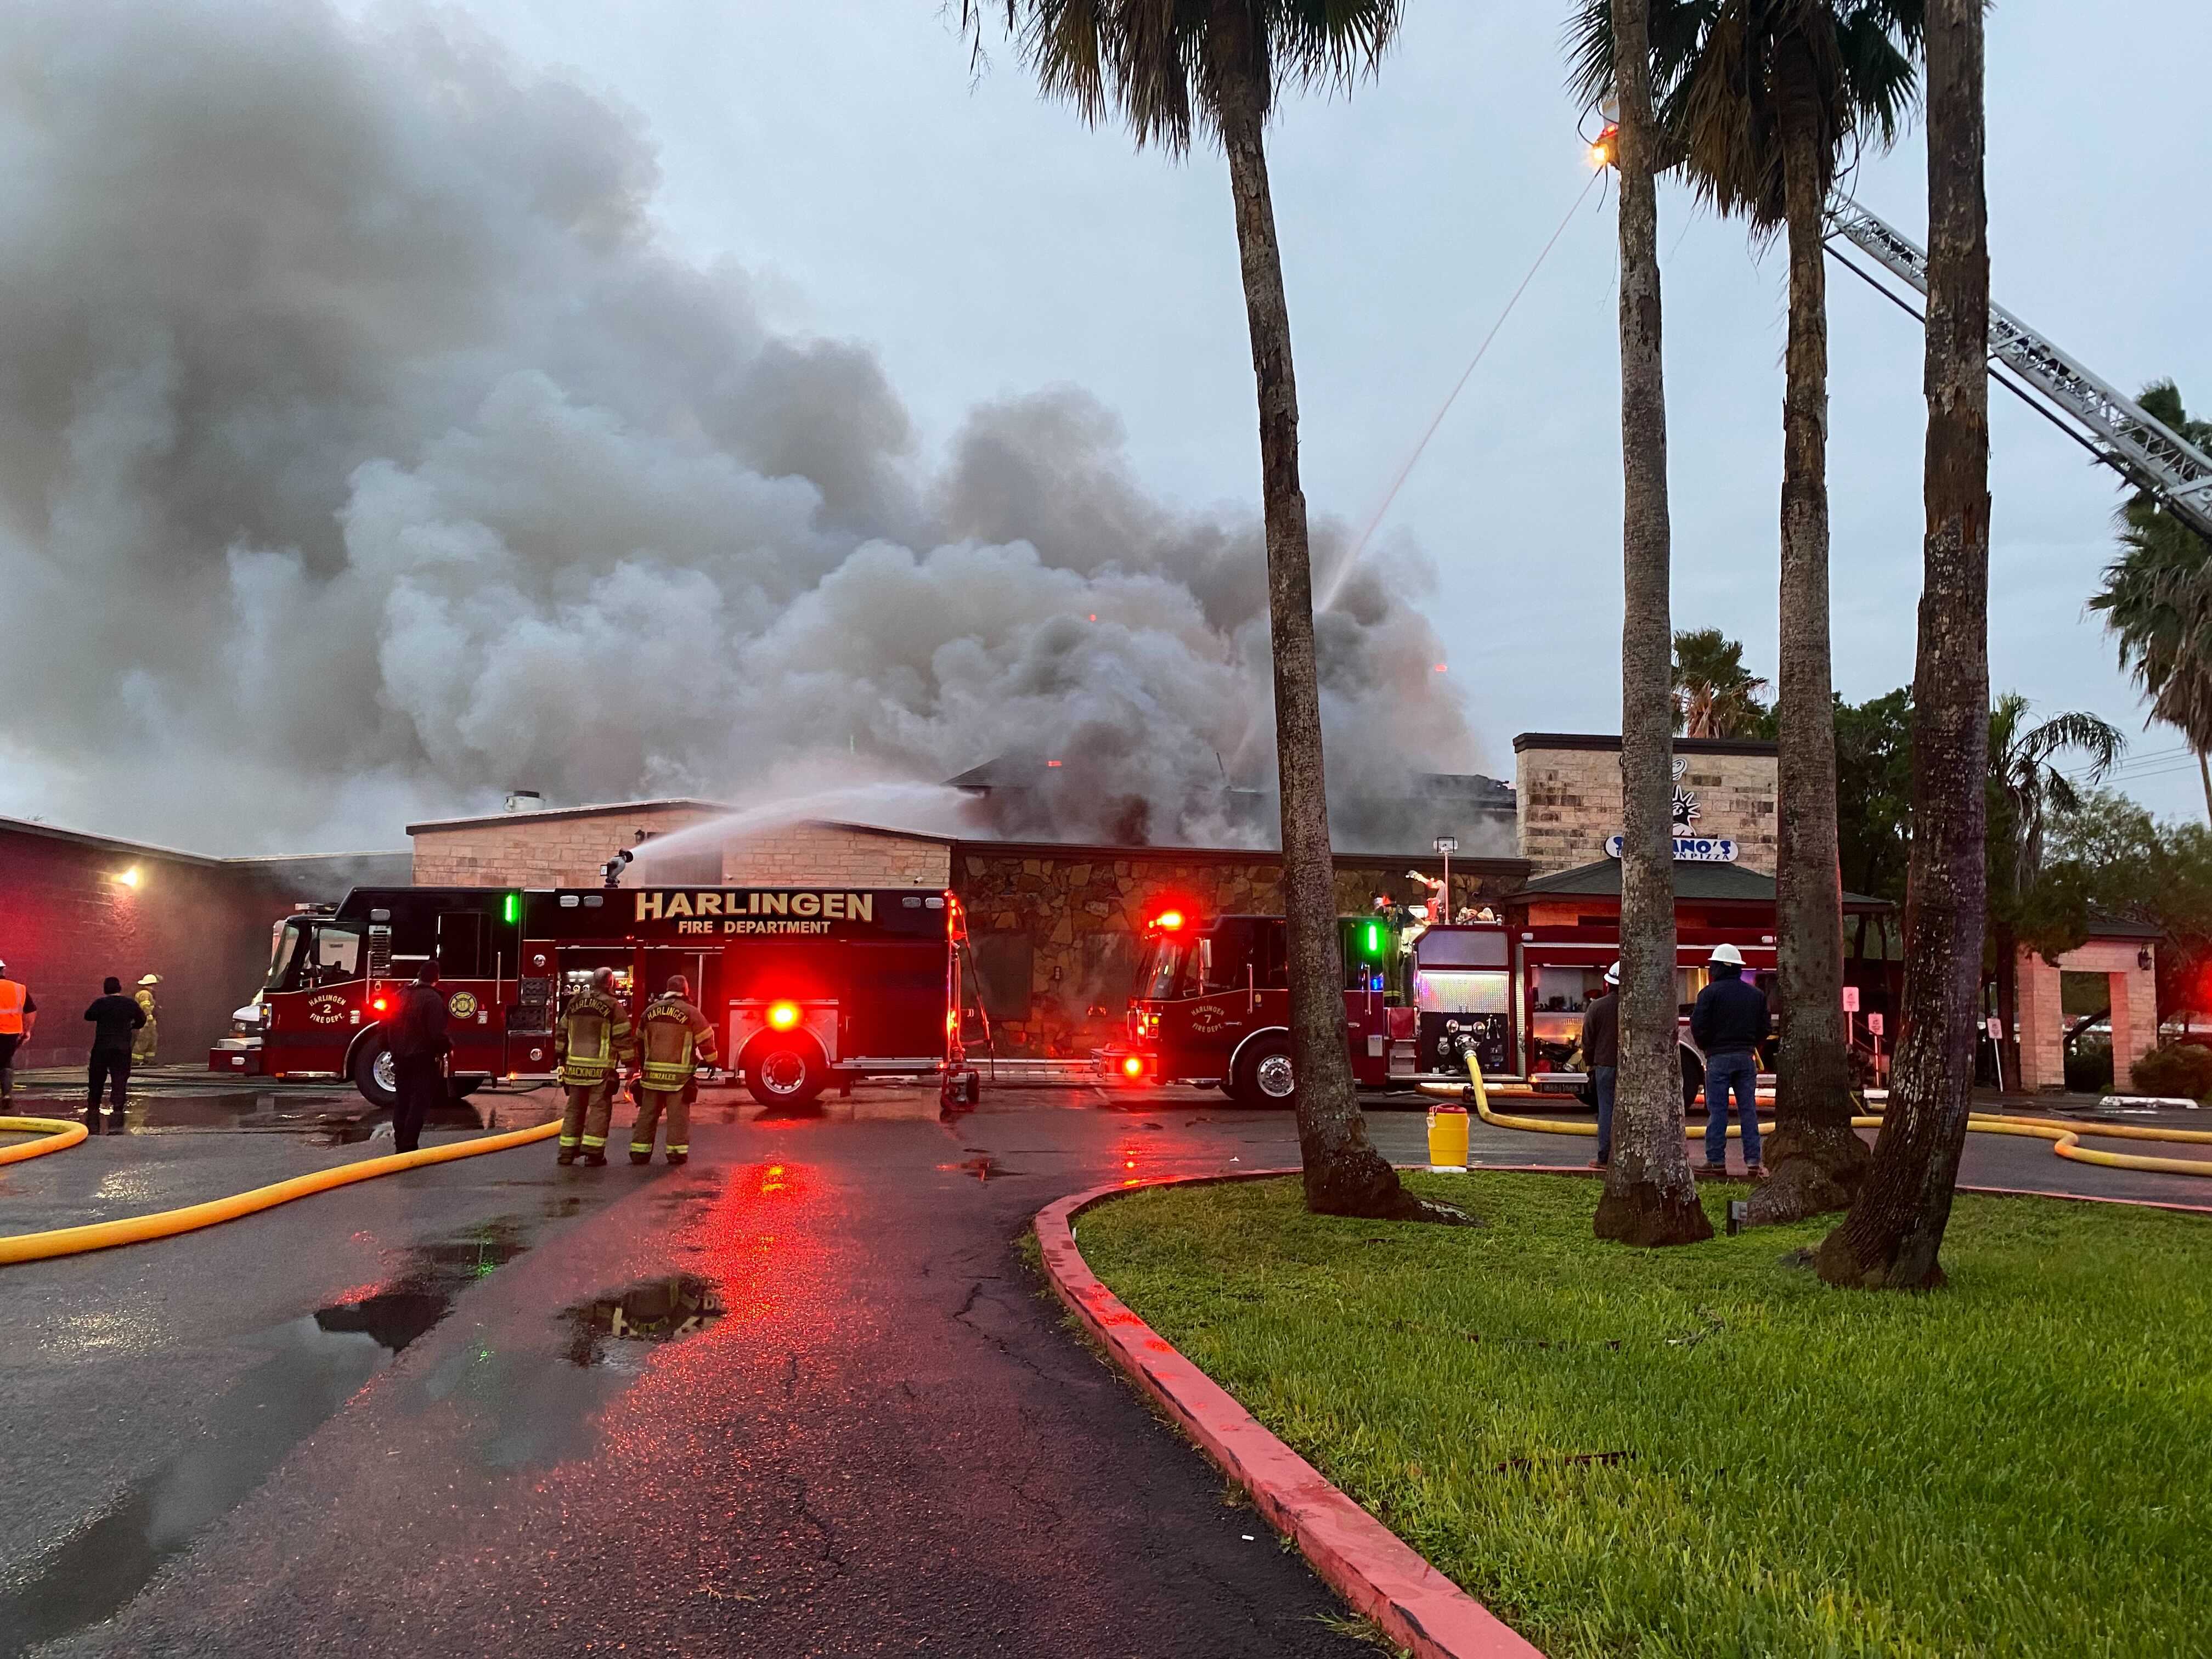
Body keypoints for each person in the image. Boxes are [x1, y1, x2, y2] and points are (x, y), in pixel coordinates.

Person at [1691, 943, 1769, 1178]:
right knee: (1748, 1111)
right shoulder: (1756, 995)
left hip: (1718, 1059)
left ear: (1718, 967)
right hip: (1746, 1058)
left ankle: (1716, 1161)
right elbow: (1764, 1028)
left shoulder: (1709, 994)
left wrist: (1709, 1048)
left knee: (1718, 1111)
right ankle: (1754, 1162)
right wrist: (1750, 1045)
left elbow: (1699, 1026)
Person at [630, 974, 720, 1167]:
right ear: (686, 991)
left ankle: (639, 1154)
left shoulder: (650, 1011)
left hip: (652, 1076)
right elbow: (706, 1040)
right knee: (678, 1117)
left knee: (647, 1115)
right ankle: (676, 1155)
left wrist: (640, 1066)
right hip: (678, 1079)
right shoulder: (691, 1012)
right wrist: (713, 1062)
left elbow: (638, 1040)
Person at [556, 968, 633, 1168]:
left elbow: (562, 1030)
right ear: (610, 982)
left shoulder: (575, 1002)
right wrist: (630, 1063)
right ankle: (593, 1154)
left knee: (574, 1110)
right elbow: (622, 1037)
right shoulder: (613, 1005)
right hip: (600, 1071)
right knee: (599, 1111)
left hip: (574, 1069)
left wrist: (559, 1056)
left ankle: (566, 1153)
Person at [388, 964, 453, 1155]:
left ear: (419, 975)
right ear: (437, 978)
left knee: (402, 1100)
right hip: (423, 1059)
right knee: (419, 1103)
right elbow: (436, 1034)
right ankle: (409, 1146)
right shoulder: (433, 1000)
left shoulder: (400, 995)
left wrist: (391, 1048)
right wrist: (447, 1048)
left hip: (400, 1057)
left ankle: (400, 1142)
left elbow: (385, 1025)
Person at [83, 977, 146, 1133]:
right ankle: (117, 1107)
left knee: (97, 1078)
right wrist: (132, 1026)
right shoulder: (129, 1004)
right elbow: (142, 1019)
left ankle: (93, 1105)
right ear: (120, 988)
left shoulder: (100, 1003)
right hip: (122, 1048)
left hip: (102, 1047)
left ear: (105, 989)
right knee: (120, 1078)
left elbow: (88, 1016)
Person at [1581, 961, 1621, 1169]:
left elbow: (1588, 1040)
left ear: (1609, 984)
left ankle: (1604, 1157)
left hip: (1604, 1066)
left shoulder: (1597, 1007)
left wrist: (1589, 1066)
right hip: (1631, 1069)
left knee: (1607, 1111)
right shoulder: (1637, 1009)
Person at [0, 957, 33, 1113]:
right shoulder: (19, 989)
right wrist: (27, 1030)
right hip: (11, 1033)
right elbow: (31, 1010)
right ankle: (6, 1095)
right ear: (3, 971)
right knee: (6, 1062)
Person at [132, 974, 161, 1066]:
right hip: (146, 1021)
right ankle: (136, 1060)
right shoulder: (145, 994)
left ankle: (149, 1060)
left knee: (152, 1039)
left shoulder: (148, 994)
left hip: (150, 1022)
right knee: (144, 1040)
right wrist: (149, 1017)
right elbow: (145, 1006)